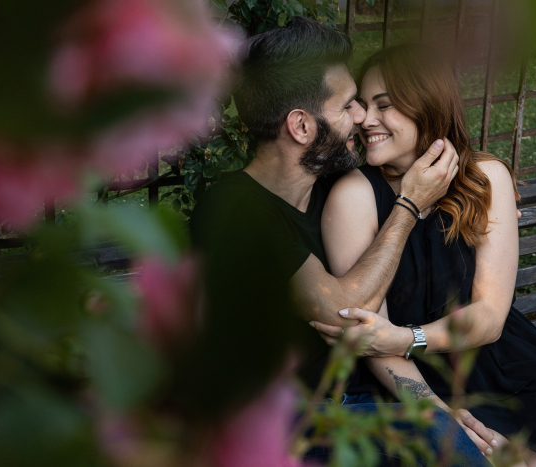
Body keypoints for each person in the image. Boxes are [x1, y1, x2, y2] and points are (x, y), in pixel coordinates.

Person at [190, 16, 495, 466]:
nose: (361, 117)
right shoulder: (235, 209)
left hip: (353, 406)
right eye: (348, 105)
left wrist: (476, 203)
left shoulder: (329, 187)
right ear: (301, 126)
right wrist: (410, 204)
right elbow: (345, 309)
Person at [309, 44, 536, 467]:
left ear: (426, 105)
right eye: (363, 105)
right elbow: (369, 337)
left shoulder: (486, 178)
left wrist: (407, 337)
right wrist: (438, 413)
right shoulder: (354, 196)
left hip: (505, 369)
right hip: (406, 381)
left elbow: (488, 318)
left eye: (385, 105)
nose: (366, 120)